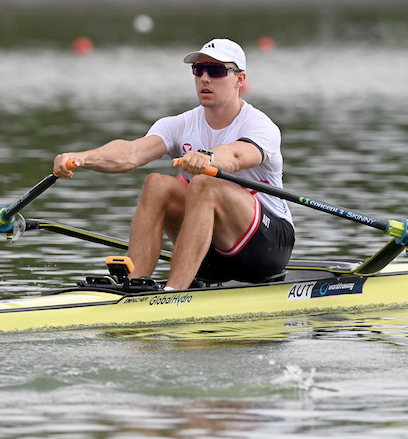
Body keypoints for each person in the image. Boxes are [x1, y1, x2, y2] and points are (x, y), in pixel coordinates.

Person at [53, 38, 294, 291]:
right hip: (210, 253)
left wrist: (208, 157)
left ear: (240, 79)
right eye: (198, 70)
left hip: (267, 247)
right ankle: (133, 286)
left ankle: (173, 292)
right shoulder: (180, 125)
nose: (205, 78)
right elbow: (131, 153)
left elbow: (236, 156)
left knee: (204, 184)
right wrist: (82, 157)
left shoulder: (260, 126)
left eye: (216, 71)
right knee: (157, 184)